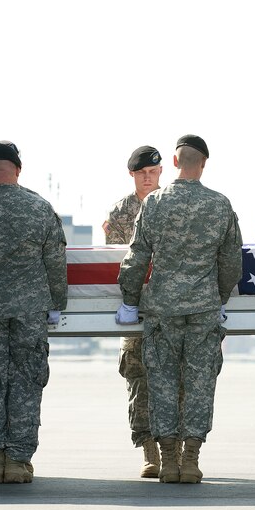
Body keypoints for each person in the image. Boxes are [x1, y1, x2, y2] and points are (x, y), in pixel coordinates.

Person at [116, 134, 242, 484]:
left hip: (162, 311)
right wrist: (217, 297)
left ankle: (167, 460)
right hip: (202, 310)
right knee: (200, 384)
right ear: (203, 163)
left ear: (174, 163)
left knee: (162, 383)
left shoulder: (155, 203)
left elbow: (137, 256)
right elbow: (232, 263)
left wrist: (129, 300)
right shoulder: (220, 205)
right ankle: (191, 460)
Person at [0, 141, 67, 484]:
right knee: (26, 381)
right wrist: (57, 303)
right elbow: (55, 261)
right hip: (29, 309)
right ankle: (19, 460)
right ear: (17, 169)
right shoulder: (39, 207)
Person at [103, 145, 170, 478]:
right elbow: (112, 261)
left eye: (154, 172)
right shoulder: (120, 213)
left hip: (170, 306)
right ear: (132, 174)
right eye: (143, 173)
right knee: (138, 379)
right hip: (136, 309)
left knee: (177, 381)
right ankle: (149, 451)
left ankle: (176, 449)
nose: (148, 178)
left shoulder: (174, 207)